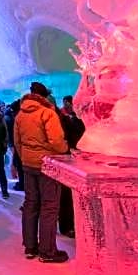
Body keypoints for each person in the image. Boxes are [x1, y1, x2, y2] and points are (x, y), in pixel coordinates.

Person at [14, 82, 69, 263]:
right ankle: (47, 251)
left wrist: (25, 158)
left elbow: (17, 141)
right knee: (49, 206)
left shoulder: (21, 114)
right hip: (46, 164)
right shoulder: (47, 113)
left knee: (31, 203)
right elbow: (56, 141)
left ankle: (30, 246)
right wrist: (64, 149)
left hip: (28, 164)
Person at [57, 95, 86, 238]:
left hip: (75, 158)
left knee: (71, 195)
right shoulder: (65, 119)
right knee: (67, 195)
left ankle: (71, 224)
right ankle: (67, 225)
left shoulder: (73, 118)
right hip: (69, 158)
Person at [4, 100, 24, 191]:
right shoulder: (20, 117)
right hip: (22, 147)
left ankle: (21, 183)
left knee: (18, 164)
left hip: (18, 145)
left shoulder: (17, 118)